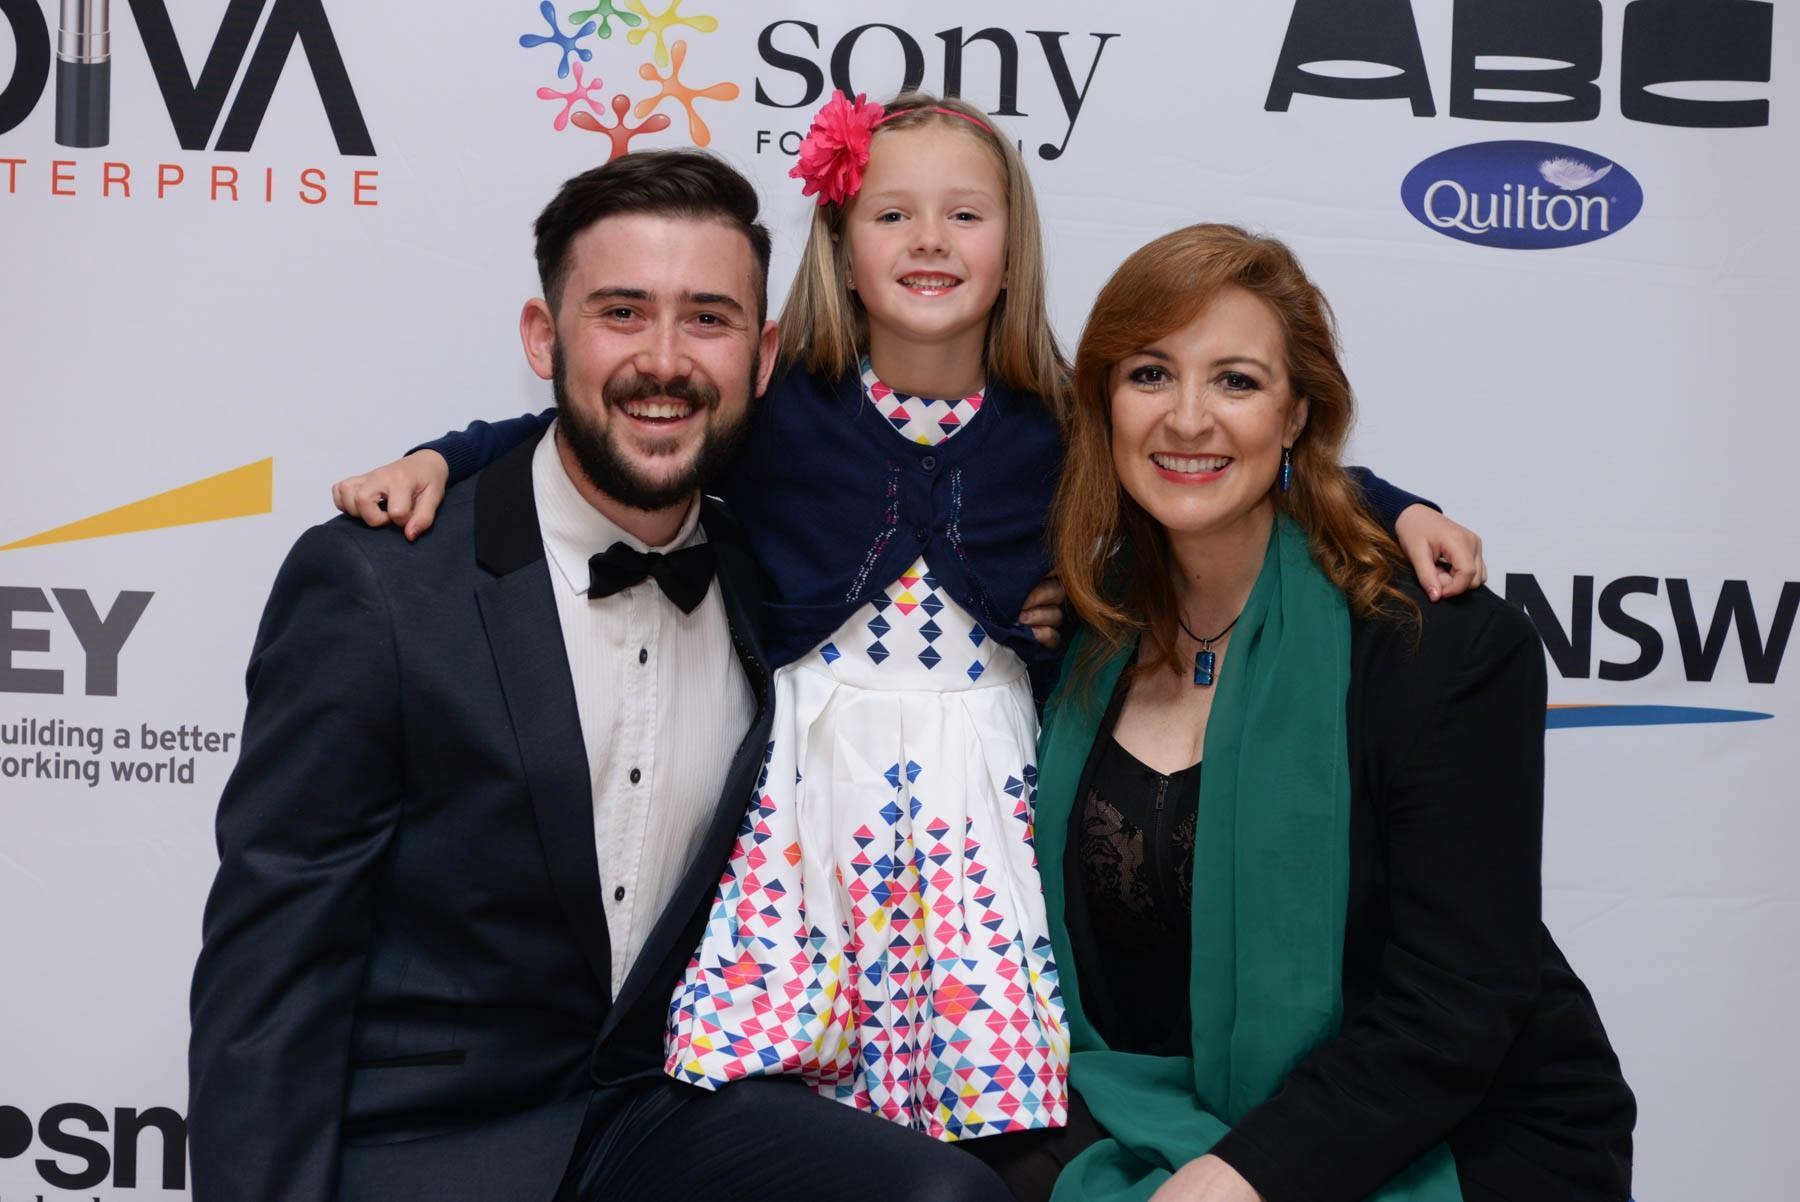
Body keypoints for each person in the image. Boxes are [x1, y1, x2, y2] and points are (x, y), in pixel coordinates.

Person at [332, 93, 1489, 1147]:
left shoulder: (1063, 419)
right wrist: (443, 456)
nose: (929, 240)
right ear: (842, 239)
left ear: (1011, 248)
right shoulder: (777, 408)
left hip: (984, 791)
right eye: (893, 212)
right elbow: (579, 433)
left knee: (993, 1107)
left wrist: (1402, 506)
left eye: (964, 214)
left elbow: (1229, 449)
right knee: (790, 1097)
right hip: (814, 789)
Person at [187, 149, 1019, 1202]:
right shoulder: (380, 587)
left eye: (708, 319)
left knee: (943, 1196)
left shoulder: (773, 578)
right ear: (544, 336)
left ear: (761, 357)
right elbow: (272, 975)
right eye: (622, 312)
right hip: (425, 1141)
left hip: (648, 1111)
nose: (664, 360)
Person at [964, 223, 1635, 1202]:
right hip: (1154, 1108)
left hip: (1456, 1134)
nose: (1188, 418)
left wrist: (1246, 1175)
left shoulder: (1439, 649)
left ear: (1296, 416)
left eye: (1235, 381)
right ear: (1104, 403)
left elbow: (1455, 1007)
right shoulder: (1079, 631)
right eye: (1151, 374)